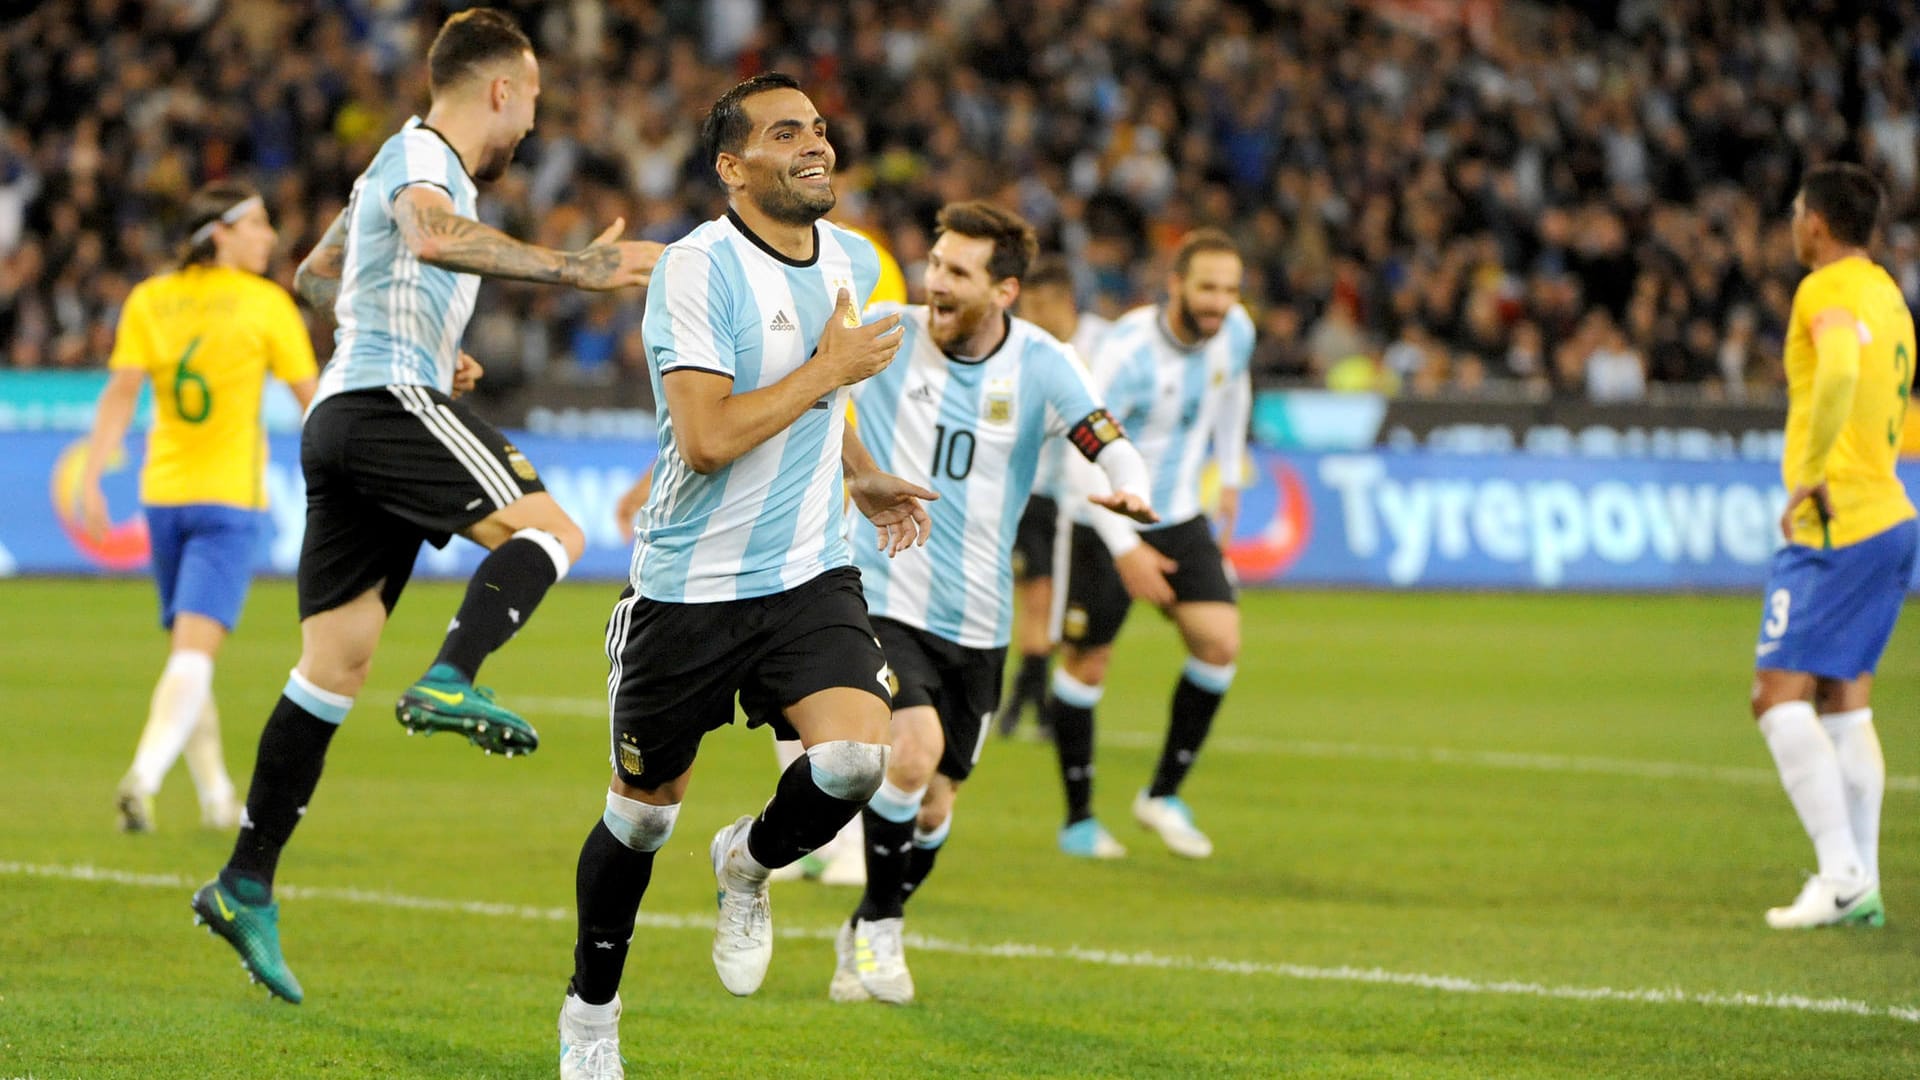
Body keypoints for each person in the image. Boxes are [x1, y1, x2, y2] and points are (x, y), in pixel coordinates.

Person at [189, 7, 657, 1005]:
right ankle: (452, 674)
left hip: (348, 410)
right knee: (552, 530)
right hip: (381, 399)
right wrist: (569, 266)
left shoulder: (386, 166)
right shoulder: (426, 156)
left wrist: (423, 330)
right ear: (500, 88)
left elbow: (319, 274)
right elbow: (429, 236)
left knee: (332, 668)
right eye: (531, 97)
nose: (532, 121)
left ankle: (245, 880)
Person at [556, 73, 933, 1079]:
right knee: (638, 820)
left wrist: (858, 475)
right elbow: (709, 436)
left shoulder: (850, 258)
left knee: (859, 760)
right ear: (734, 167)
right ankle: (591, 1014)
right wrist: (829, 371)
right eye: (784, 133)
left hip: (807, 572)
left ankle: (748, 862)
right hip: (686, 589)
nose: (816, 145)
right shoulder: (697, 268)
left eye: (818, 128)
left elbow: (825, 403)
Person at [831, 202, 1155, 1006]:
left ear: (1004, 290)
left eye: (957, 273)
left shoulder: (1042, 363)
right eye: (935, 263)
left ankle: (868, 924)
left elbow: (1099, 432)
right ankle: (878, 927)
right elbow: (805, 394)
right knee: (908, 753)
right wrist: (859, 467)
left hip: (977, 617)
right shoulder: (885, 332)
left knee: (936, 805)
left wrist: (1131, 481)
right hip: (879, 589)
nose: (935, 283)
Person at [79, 181, 318, 834]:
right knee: (194, 657)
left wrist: (92, 475)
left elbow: (121, 394)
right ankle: (144, 776)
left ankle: (216, 796)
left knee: (187, 655)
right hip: (227, 504)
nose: (270, 237)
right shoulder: (268, 305)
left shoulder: (150, 298)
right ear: (221, 234)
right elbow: (314, 404)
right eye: (260, 224)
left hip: (162, 498)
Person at [1045, 228, 1254, 860]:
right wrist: (1124, 546)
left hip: (1179, 512)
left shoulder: (1236, 331)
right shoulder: (1126, 352)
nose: (1220, 302)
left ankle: (1161, 795)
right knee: (1089, 664)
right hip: (1099, 514)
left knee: (1219, 643)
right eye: (1207, 288)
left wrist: (1231, 472)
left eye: (1229, 289)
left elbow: (1233, 388)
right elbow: (1082, 452)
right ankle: (1079, 819)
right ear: (1176, 286)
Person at [1752, 162, 1917, 930]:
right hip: (1891, 512)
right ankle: (1864, 883)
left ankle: (1841, 873)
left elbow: (1841, 368)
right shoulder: (1889, 296)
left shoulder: (1825, 289)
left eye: (1795, 210)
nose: (1792, 223)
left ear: (1816, 222)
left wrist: (1811, 473)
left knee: (1776, 698)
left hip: (1838, 521)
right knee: (1844, 704)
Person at [994, 254, 1112, 738]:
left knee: (1075, 605)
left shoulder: (1104, 345)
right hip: (1035, 492)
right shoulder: (1023, 350)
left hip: (1086, 502)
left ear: (1066, 302)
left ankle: (1037, 693)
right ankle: (1033, 693)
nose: (1030, 317)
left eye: (1040, 305)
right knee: (1036, 594)